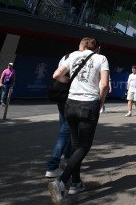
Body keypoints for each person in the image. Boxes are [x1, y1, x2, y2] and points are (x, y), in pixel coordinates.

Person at [48, 37, 109, 203]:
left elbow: (56, 74)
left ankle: (76, 183)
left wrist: (70, 82)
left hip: (70, 103)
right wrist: (101, 102)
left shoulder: (74, 55)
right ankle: (61, 182)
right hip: (89, 104)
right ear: (97, 48)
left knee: (76, 145)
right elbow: (104, 85)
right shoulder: (101, 58)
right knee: (84, 146)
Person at [45, 53, 75, 179]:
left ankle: (67, 154)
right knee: (66, 130)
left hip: (60, 94)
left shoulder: (65, 57)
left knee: (64, 126)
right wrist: (70, 81)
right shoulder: (77, 58)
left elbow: (57, 73)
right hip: (69, 95)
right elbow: (57, 74)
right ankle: (53, 165)